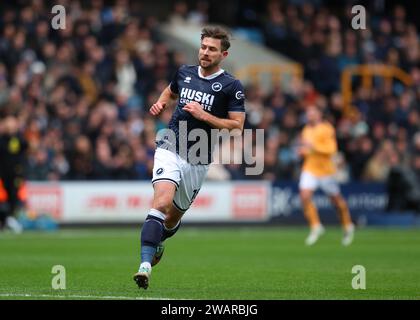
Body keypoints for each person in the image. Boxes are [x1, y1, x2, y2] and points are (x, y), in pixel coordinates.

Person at [133, 26, 246, 289]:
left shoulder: (231, 85)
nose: (205, 53)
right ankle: (144, 267)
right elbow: (170, 91)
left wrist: (203, 115)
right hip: (170, 144)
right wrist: (161, 103)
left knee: (172, 218)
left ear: (223, 54)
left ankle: (159, 242)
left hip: (199, 156)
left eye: (212, 49)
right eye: (203, 47)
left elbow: (237, 125)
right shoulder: (184, 72)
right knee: (160, 203)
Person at [297, 106, 354, 246]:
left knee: (337, 201)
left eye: (312, 113)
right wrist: (303, 151)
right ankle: (316, 226)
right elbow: (308, 150)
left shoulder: (327, 128)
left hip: (326, 171)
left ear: (319, 115)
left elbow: (331, 149)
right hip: (310, 168)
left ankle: (347, 225)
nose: (309, 116)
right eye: (308, 113)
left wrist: (312, 147)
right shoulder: (306, 130)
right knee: (304, 196)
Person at [0, 116, 28, 233]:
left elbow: (24, 146)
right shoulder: (2, 139)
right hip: (2, 174)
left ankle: (9, 219)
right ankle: (5, 220)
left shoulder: (18, 139)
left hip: (15, 174)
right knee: (2, 199)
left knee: (14, 198)